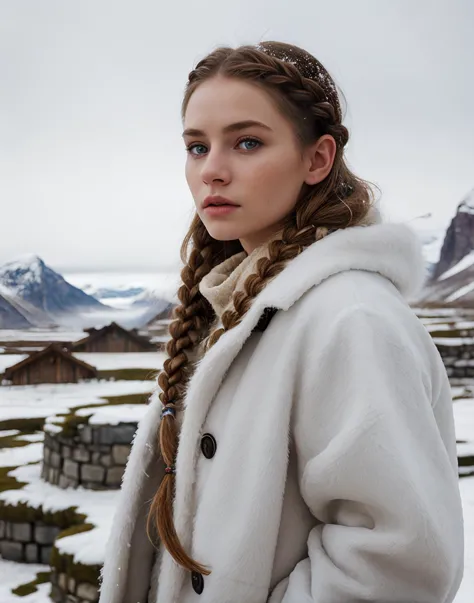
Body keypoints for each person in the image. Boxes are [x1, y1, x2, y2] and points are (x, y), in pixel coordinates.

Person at [98, 41, 464, 603]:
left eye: (247, 142)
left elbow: (398, 562)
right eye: (197, 147)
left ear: (317, 159)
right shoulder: (231, 304)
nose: (212, 171)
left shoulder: (350, 318)